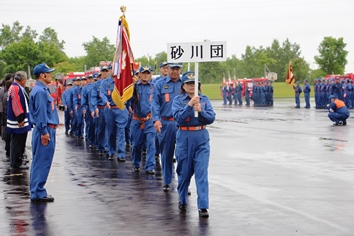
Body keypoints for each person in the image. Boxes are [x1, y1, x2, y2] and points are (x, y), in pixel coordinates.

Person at [172, 71, 216, 218]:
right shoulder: (178, 100)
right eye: (188, 84)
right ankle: (182, 198)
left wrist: (201, 111)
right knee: (184, 172)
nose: (191, 86)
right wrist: (189, 106)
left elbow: (211, 118)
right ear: (183, 85)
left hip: (201, 136)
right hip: (184, 136)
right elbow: (178, 118)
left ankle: (203, 206)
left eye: (194, 84)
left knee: (201, 171)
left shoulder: (204, 99)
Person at [29, 63, 59, 202]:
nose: (51, 75)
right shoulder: (40, 91)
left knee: (39, 161)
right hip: (45, 130)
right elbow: (41, 113)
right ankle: (38, 192)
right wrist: (44, 132)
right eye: (49, 73)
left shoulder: (41, 89)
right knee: (42, 161)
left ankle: (36, 190)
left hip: (45, 129)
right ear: (42, 75)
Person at [152, 62, 182, 192]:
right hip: (166, 123)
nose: (175, 71)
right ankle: (167, 181)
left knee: (182, 155)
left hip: (182, 123)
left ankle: (183, 183)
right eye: (172, 69)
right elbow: (155, 103)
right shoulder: (159, 84)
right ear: (168, 69)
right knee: (166, 153)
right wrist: (156, 120)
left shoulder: (185, 84)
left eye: (177, 69)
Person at [130, 66, 156, 174]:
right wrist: (132, 88)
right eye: (143, 73)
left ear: (150, 74)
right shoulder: (135, 87)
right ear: (139, 74)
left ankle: (149, 166)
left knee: (151, 143)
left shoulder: (153, 87)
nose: (145, 75)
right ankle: (136, 164)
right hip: (137, 120)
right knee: (136, 144)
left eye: (147, 73)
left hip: (150, 120)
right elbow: (127, 100)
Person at [100, 65, 128, 161]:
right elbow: (102, 93)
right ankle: (111, 151)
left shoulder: (122, 82)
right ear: (108, 71)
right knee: (111, 131)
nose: (113, 71)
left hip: (120, 109)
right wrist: (105, 101)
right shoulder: (105, 83)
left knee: (121, 131)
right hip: (110, 109)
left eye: (115, 69)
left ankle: (121, 154)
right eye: (111, 69)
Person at [6, 71, 32, 169]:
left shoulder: (15, 87)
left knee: (19, 142)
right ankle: (16, 163)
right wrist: (20, 119)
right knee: (17, 142)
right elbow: (16, 104)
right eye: (25, 80)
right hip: (17, 121)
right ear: (21, 80)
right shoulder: (16, 88)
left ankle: (18, 160)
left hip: (18, 120)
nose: (25, 81)